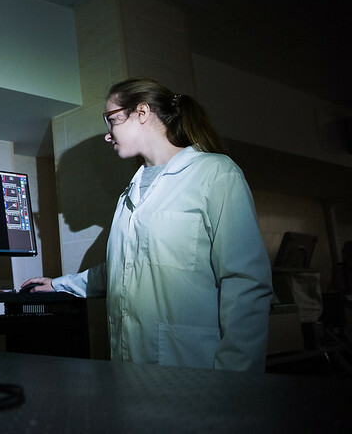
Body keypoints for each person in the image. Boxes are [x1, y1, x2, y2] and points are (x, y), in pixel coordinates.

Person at [22, 78, 273, 372]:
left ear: (141, 113)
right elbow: (119, 271)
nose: (108, 135)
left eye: (111, 120)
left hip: (195, 370)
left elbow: (245, 282)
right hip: (130, 369)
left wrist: (237, 378)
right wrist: (58, 284)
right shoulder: (129, 194)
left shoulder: (216, 173)